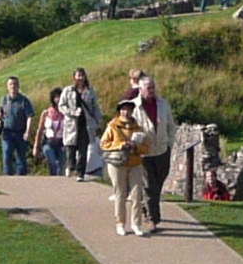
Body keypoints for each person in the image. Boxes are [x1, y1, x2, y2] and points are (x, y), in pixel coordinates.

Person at [128, 70, 175, 234]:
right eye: (148, 88)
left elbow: (171, 126)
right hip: (144, 153)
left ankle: (144, 206)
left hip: (162, 150)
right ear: (140, 89)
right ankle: (153, 219)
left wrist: (169, 144)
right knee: (149, 186)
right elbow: (129, 129)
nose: (152, 91)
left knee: (159, 182)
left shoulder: (163, 104)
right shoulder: (133, 107)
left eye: (153, 87)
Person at [100, 105, 150, 236]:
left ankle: (136, 224)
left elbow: (146, 148)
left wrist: (136, 146)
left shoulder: (138, 128)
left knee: (136, 194)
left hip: (135, 163)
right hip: (117, 163)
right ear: (119, 111)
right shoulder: (112, 126)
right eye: (123, 110)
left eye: (128, 110)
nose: (126, 112)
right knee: (120, 193)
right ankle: (120, 223)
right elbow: (104, 144)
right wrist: (121, 145)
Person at [62, 70, 104, 177]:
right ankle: (70, 166)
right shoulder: (68, 91)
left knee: (83, 149)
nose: (80, 78)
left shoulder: (90, 91)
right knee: (71, 148)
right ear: (74, 77)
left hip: (86, 124)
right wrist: (72, 112)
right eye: (78, 76)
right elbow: (62, 106)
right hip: (72, 124)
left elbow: (95, 107)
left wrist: (99, 120)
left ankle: (80, 173)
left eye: (82, 76)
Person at [0, 76, 35, 177]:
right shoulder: (4, 100)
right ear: (7, 87)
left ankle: (21, 178)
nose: (13, 86)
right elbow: (1, 113)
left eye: (15, 84)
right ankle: (8, 177)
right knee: (7, 153)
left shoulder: (24, 101)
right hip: (7, 132)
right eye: (10, 84)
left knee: (21, 158)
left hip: (20, 133)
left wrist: (27, 132)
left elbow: (30, 116)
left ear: (18, 86)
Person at [36, 84, 67, 176]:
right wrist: (36, 146)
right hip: (48, 142)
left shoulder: (65, 113)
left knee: (62, 168)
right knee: (52, 163)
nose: (57, 99)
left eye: (59, 97)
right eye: (55, 97)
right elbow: (40, 130)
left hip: (61, 143)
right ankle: (52, 180)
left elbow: (68, 130)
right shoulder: (46, 113)